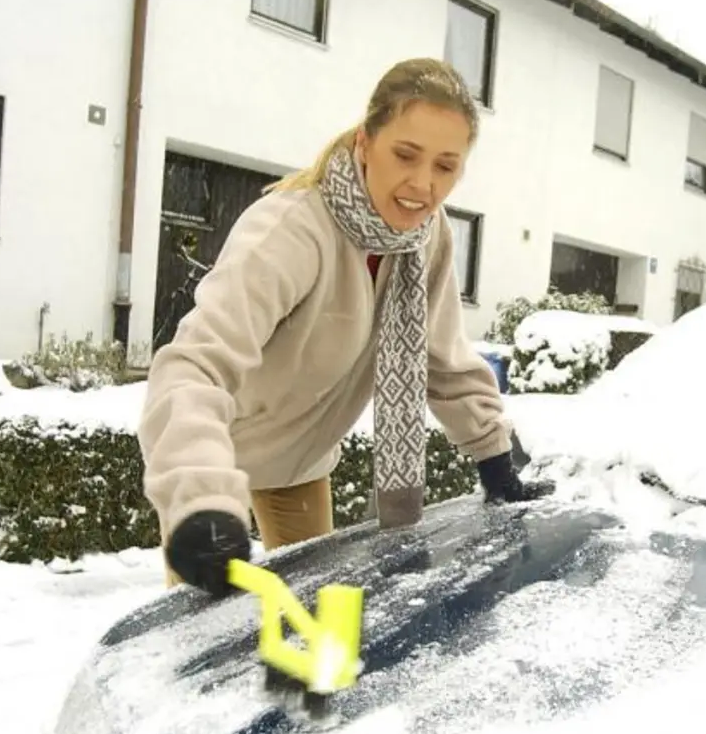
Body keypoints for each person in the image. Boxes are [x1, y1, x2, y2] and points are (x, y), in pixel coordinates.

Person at [138, 57, 553, 597]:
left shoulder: (427, 238)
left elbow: (442, 357)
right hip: (216, 455)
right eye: (406, 155)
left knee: (318, 614)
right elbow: (194, 367)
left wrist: (495, 458)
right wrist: (199, 500)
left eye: (445, 166)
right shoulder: (292, 230)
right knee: (208, 637)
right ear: (365, 143)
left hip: (303, 462)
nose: (423, 185)